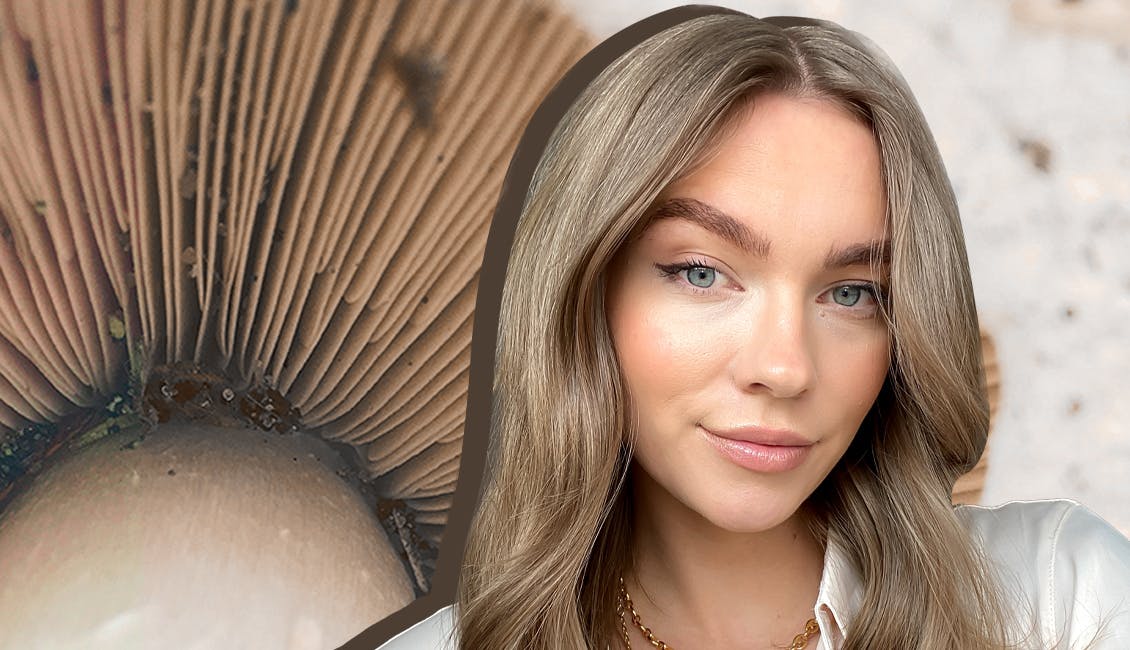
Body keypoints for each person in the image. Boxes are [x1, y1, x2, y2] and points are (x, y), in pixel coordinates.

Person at [378, 9, 1130, 650]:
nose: (784, 367)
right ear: (585, 292)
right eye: (702, 273)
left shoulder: (1060, 603)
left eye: (853, 292)